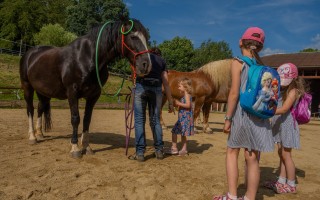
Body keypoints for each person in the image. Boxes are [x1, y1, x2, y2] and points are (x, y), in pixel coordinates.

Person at [213, 27, 274, 200]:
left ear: (241, 42)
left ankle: (232, 196)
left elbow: (234, 93)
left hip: (242, 114)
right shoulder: (260, 66)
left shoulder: (238, 62)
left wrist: (227, 119)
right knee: (253, 158)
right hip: (259, 116)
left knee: (232, 152)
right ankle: (249, 197)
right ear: (260, 48)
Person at [264, 63, 309, 194]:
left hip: (288, 125)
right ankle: (281, 181)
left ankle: (291, 183)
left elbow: (284, 109)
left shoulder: (294, 91)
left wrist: (267, 112)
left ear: (293, 79)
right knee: (281, 153)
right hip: (280, 125)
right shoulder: (282, 90)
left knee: (286, 155)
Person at [133, 47, 174, 162]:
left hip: (141, 87)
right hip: (156, 90)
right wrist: (170, 102)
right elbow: (165, 82)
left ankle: (140, 153)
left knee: (140, 120)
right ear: (159, 54)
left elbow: (136, 74)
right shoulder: (162, 61)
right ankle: (159, 151)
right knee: (155, 120)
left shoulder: (143, 57)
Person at [168, 78, 194, 156]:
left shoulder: (187, 95)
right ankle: (183, 149)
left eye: (180, 86)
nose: (178, 87)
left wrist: (179, 103)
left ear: (185, 87)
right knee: (183, 134)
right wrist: (177, 106)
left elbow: (188, 105)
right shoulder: (185, 95)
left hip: (184, 118)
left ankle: (174, 148)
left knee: (174, 131)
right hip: (183, 118)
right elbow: (184, 106)